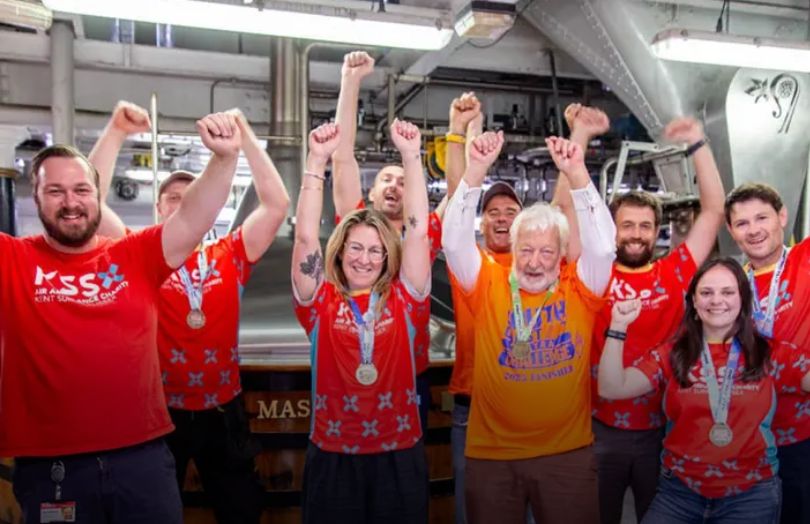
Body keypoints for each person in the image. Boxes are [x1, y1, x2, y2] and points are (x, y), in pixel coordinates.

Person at [0, 112, 240, 523]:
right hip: (53, 468)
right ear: (35, 197)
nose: (71, 202)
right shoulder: (12, 259)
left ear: (98, 195)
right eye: (55, 191)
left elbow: (192, 217)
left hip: (142, 462)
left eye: (81, 190)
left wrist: (225, 158)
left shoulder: (134, 254)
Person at [88, 101, 291, 523]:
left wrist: (245, 135)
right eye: (173, 199)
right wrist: (115, 132)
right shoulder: (140, 254)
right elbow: (91, 205)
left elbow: (276, 204)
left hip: (223, 410)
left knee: (242, 512)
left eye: (192, 196)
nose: (183, 204)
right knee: (154, 514)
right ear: (159, 209)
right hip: (161, 413)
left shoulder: (231, 253)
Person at [442, 131, 616, 524]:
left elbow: (605, 247)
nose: (534, 262)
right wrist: (475, 171)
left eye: (547, 251)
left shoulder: (581, 287)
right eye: (525, 250)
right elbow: (453, 244)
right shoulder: (487, 282)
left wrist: (577, 174)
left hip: (567, 454)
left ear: (562, 255)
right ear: (512, 248)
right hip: (492, 456)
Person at [571, 107, 726, 524]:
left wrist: (697, 143)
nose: (636, 234)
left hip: (663, 429)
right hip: (598, 426)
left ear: (657, 231)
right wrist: (579, 138)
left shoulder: (674, 273)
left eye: (645, 226)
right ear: (612, 230)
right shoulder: (593, 271)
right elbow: (569, 211)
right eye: (627, 225)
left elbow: (714, 211)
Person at [599, 257, 810, 524]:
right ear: (694, 303)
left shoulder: (771, 354)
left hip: (750, 496)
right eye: (707, 293)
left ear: (743, 300)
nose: (716, 300)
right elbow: (612, 387)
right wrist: (618, 326)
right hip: (678, 492)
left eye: (727, 292)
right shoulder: (673, 353)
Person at [292, 120, 431, 523]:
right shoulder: (319, 301)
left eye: (375, 250)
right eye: (355, 248)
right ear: (339, 251)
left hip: (399, 454)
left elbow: (418, 234)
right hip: (333, 455)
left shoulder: (405, 298)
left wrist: (412, 156)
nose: (364, 259)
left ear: (388, 257)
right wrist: (316, 161)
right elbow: (305, 239)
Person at [332, 51, 458, 432]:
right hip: (351, 371)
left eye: (403, 181)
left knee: (407, 464)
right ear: (371, 193)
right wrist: (350, 81)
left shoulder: (424, 235)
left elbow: (458, 193)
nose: (394, 185)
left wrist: (456, 129)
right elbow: (342, 159)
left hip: (410, 374)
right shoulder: (353, 226)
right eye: (386, 179)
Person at [725, 182, 810, 524]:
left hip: (803, 437)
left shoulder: (805, 260)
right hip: (747, 440)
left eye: (762, 217)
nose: (754, 230)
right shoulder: (728, 286)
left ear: (782, 216)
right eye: (742, 223)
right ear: (731, 231)